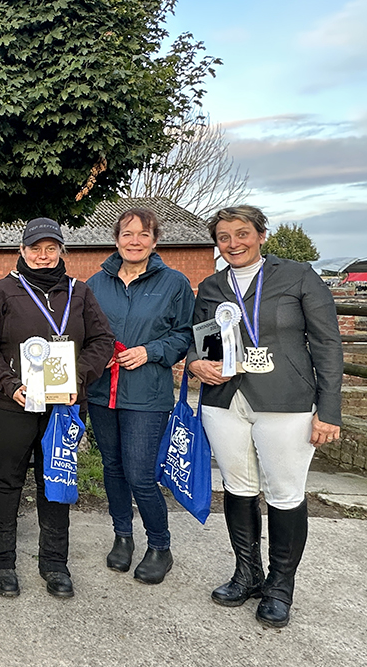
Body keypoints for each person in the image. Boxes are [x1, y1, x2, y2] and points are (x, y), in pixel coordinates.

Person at [186, 205, 342, 628]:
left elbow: (327, 344)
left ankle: (279, 586)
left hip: (285, 400)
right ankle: (247, 573)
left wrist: (329, 410)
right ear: (216, 243)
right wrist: (195, 363)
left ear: (260, 235)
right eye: (224, 237)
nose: (234, 243)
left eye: (242, 233)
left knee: (285, 493)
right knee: (237, 487)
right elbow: (199, 341)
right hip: (225, 400)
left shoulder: (299, 276)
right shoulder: (211, 286)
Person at [0, 218, 113, 598]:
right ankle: (2, 562)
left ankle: (54, 563)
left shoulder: (80, 292)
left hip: (65, 405)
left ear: (61, 252)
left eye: (51, 248)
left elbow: (103, 341)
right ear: (22, 251)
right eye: (35, 248)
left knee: (53, 483)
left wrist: (77, 379)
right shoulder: (2, 291)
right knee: (7, 481)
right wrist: (10, 386)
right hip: (12, 404)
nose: (43, 255)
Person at [86, 208, 194, 585]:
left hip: (147, 394)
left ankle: (160, 545)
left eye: (143, 235)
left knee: (140, 472)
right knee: (112, 467)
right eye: (128, 234)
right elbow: (84, 334)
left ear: (155, 241)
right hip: (102, 392)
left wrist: (150, 351)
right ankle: (123, 536)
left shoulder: (174, 283)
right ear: (116, 239)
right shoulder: (95, 284)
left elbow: (184, 335)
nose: (135, 241)